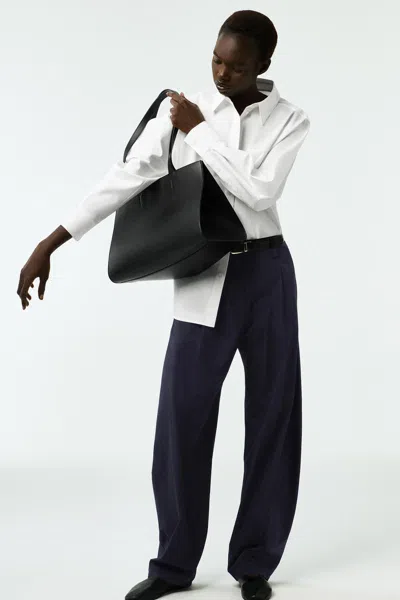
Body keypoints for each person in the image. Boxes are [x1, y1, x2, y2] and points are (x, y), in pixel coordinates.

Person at [17, 10, 310, 600]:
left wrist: (200, 133)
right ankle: (173, 565)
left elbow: (260, 192)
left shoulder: (289, 120)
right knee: (182, 419)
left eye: (237, 66)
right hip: (205, 274)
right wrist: (52, 242)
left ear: (264, 65)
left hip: (268, 274)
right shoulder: (181, 110)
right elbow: (125, 177)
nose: (222, 73)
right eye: (216, 59)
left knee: (274, 418)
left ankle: (254, 563)